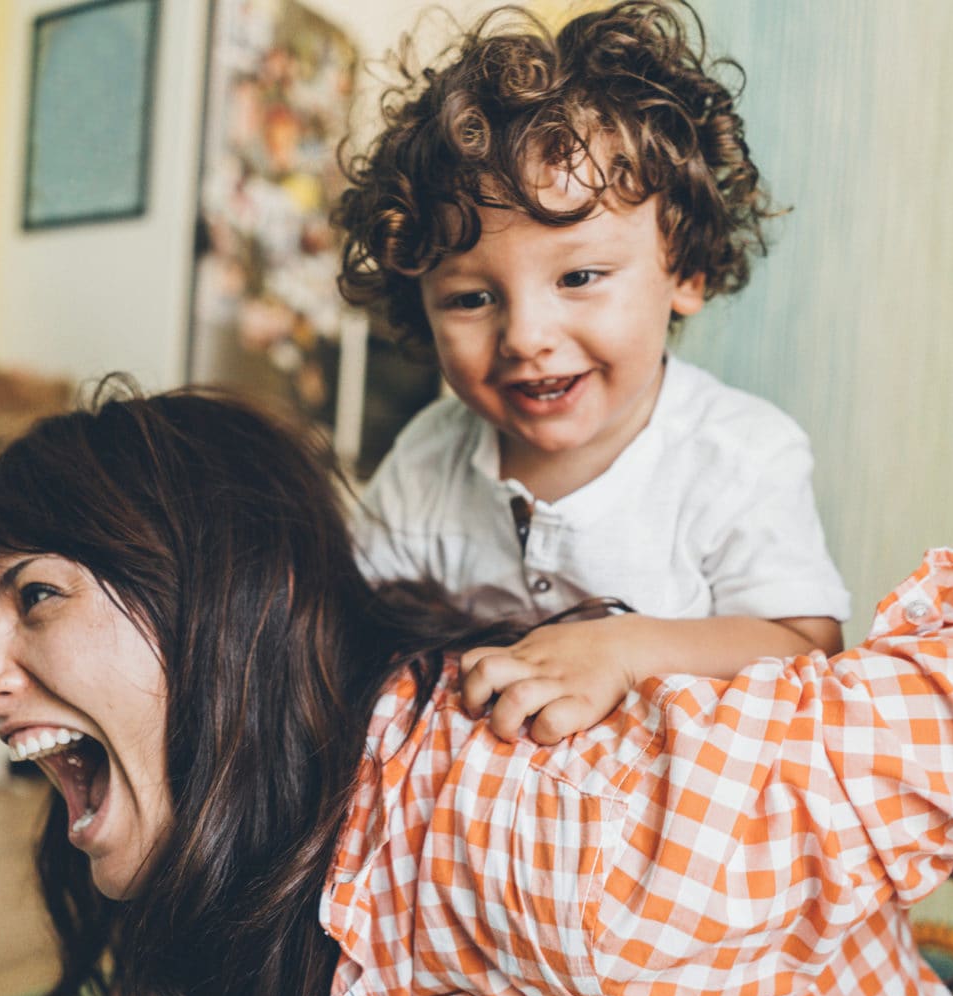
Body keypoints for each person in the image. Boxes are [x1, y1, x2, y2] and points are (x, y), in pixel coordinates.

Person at [0, 385, 953, 996]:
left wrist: (875, 796)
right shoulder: (287, 819)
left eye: (33, 595)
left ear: (222, 610)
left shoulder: (544, 831)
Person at [335, 1, 849, 741]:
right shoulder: (426, 461)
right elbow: (351, 630)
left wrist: (624, 649)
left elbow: (809, 652)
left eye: (578, 278)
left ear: (688, 269)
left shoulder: (739, 456)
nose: (526, 337)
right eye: (472, 298)